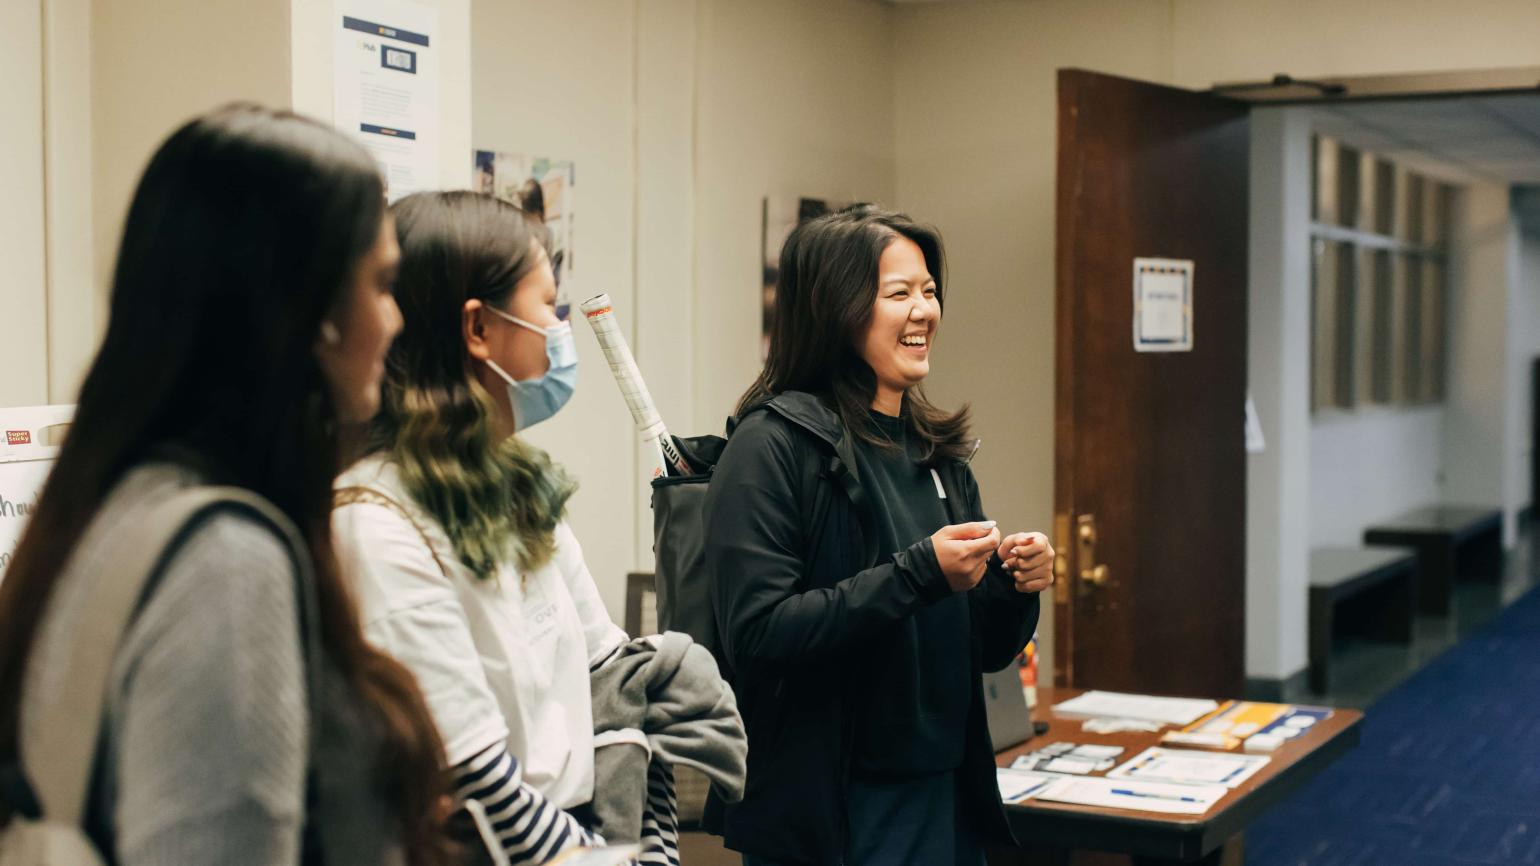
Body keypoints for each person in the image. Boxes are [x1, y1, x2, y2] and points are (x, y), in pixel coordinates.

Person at [0, 104, 453, 865]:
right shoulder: (227, 563)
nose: (398, 318)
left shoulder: (112, 505)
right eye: (380, 284)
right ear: (310, 313)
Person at [703, 205, 1056, 866]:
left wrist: (1014, 584)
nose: (924, 310)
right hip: (837, 807)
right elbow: (758, 632)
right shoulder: (773, 447)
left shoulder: (936, 454)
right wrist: (918, 573)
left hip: (944, 795)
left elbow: (986, 649)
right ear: (835, 309)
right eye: (899, 294)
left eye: (928, 291)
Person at [331, 191, 673, 864]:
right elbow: (477, 784)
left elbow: (618, 684)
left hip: (584, 841)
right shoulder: (376, 524)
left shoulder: (521, 488)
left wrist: (649, 851)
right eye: (548, 305)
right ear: (478, 330)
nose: (560, 327)